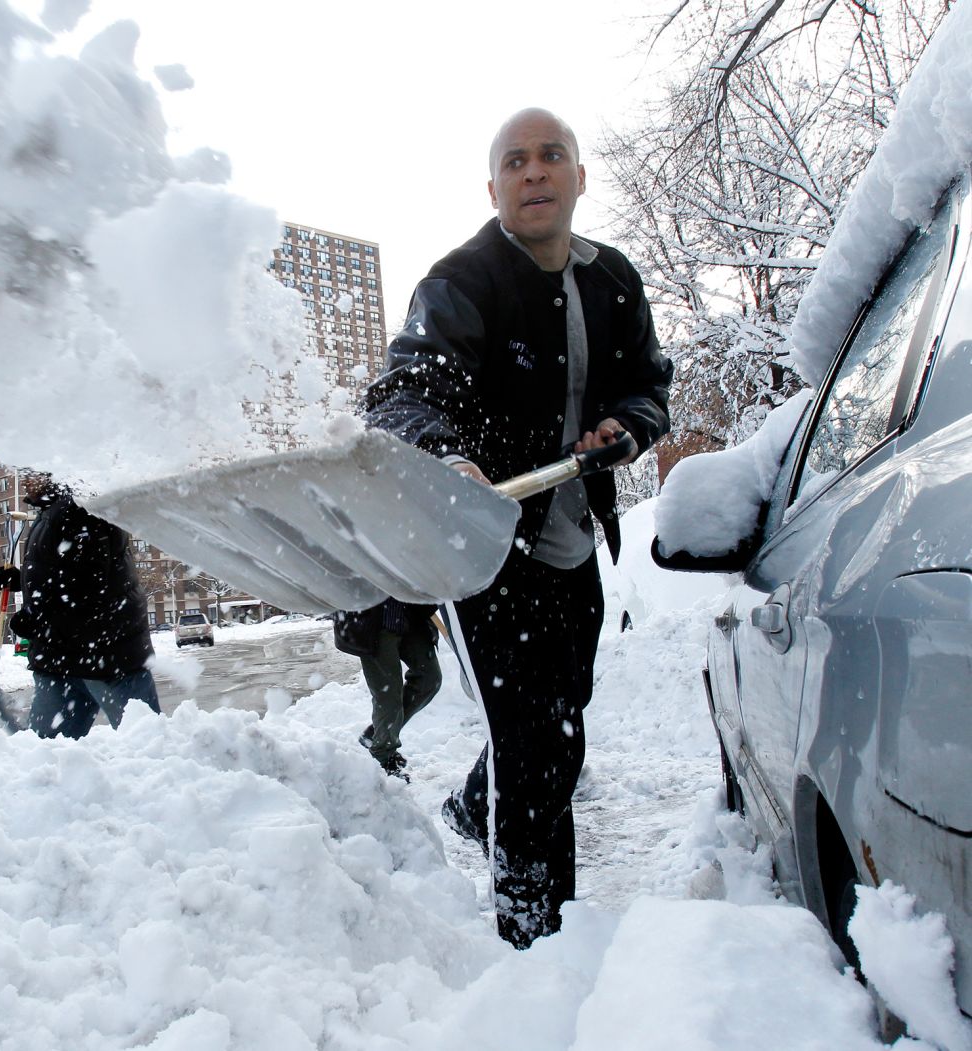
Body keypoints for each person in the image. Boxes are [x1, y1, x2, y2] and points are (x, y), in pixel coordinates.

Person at [363, 108, 673, 947]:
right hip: (486, 550)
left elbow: (649, 384)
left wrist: (629, 427)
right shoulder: (462, 282)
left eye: (551, 157)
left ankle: (476, 804)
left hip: (572, 541)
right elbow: (402, 394)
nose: (534, 172)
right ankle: (538, 942)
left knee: (562, 721)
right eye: (515, 161)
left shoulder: (613, 280)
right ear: (492, 186)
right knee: (532, 745)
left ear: (578, 177)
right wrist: (447, 457)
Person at [0, 473, 159, 738]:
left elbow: (89, 585)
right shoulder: (54, 510)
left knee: (151, 745)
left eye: (29, 472)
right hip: (64, 658)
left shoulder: (79, 508)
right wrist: (23, 580)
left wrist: (37, 619)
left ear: (51, 470)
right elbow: (60, 572)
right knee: (46, 756)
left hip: (105, 656)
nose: (23, 480)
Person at [332, 599, 442, 781]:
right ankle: (382, 757)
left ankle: (376, 734)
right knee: (388, 697)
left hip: (411, 614)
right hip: (373, 622)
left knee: (430, 680)